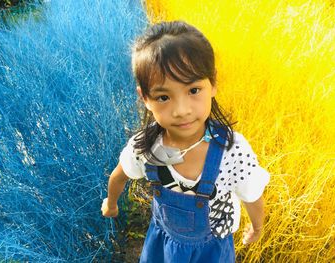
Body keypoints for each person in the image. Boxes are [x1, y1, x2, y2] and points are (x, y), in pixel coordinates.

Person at [101, 20, 270, 263]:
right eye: (163, 96)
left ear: (213, 84)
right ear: (145, 98)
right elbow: (119, 175)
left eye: (193, 90)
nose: (181, 110)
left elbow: (252, 196)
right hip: (163, 245)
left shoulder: (232, 151)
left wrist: (257, 227)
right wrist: (112, 203)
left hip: (212, 251)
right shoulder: (145, 146)